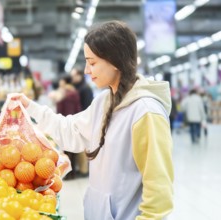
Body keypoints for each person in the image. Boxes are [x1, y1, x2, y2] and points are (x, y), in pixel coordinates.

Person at [11, 20, 173, 220]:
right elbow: (72, 131)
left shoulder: (146, 113)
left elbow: (159, 189)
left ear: (115, 61)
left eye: (92, 62)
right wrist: (31, 107)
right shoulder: (104, 101)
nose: (87, 70)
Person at [71, 67, 94, 177]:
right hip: (79, 119)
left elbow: (87, 106)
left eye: (74, 75)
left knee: (84, 147)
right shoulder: (78, 87)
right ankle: (82, 169)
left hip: (85, 120)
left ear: (80, 76)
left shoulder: (85, 88)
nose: (72, 78)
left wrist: (84, 120)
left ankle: (84, 171)